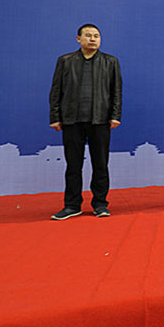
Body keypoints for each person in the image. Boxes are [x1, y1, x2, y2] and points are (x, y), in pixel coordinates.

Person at [49, 24, 122, 220]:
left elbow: (116, 91)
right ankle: (72, 205)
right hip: (72, 121)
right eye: (88, 35)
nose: (92, 39)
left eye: (96, 36)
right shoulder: (65, 61)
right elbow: (56, 90)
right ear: (78, 39)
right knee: (73, 166)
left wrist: (115, 115)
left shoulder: (110, 62)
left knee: (101, 165)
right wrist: (55, 117)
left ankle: (100, 204)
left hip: (100, 121)